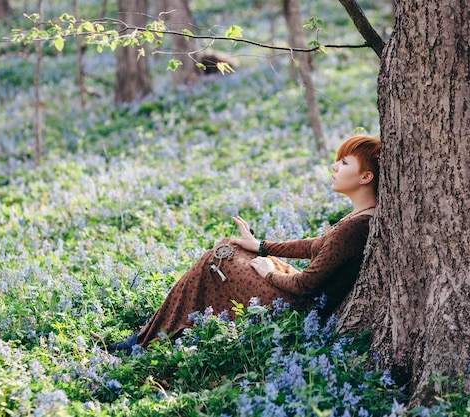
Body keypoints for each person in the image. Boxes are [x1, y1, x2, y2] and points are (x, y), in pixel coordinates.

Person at [108, 134, 380, 353]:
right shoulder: (360, 218)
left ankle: (151, 337)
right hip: (299, 299)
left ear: (366, 177)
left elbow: (305, 284)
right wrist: (260, 246)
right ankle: (165, 330)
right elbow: (313, 246)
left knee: (217, 258)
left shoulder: (355, 227)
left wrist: (267, 272)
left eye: (344, 163)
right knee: (230, 247)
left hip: (297, 307)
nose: (334, 167)